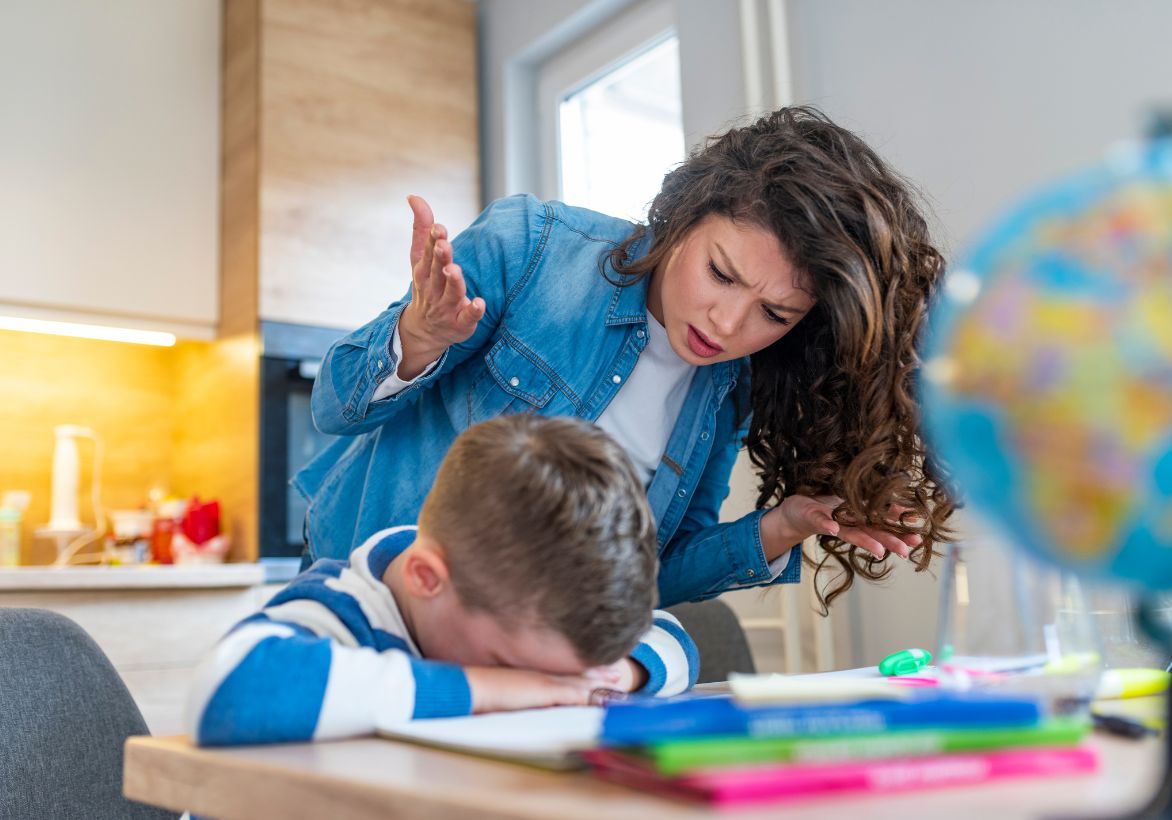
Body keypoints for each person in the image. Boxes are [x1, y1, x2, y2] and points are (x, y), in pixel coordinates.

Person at [297, 105, 955, 611]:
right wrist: (419, 336)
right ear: (682, 219)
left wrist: (783, 526)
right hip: (373, 606)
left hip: (523, 656)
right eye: (721, 274)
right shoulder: (533, 249)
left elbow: (647, 578)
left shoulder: (726, 389)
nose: (727, 325)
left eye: (775, 314)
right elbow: (332, 405)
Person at [187, 415, 698, 746]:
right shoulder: (340, 610)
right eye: (510, 666)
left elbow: (675, 639)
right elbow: (225, 691)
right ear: (426, 578)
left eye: (552, 678)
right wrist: (494, 687)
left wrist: (616, 674)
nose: (540, 688)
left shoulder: (534, 613)